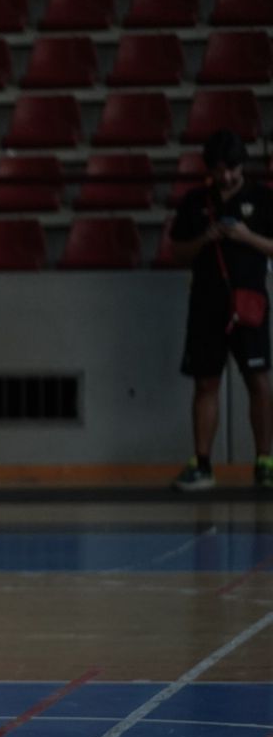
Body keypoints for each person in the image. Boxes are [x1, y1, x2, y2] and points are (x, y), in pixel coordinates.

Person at [167, 129, 273, 492]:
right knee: (205, 383)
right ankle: (203, 464)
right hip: (207, 306)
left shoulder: (262, 198)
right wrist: (204, 238)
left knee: (258, 383)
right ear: (208, 169)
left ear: (242, 164)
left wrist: (247, 237)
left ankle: (265, 461)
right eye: (219, 169)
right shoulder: (196, 201)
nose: (226, 176)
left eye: (232, 168)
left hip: (250, 304)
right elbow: (176, 253)